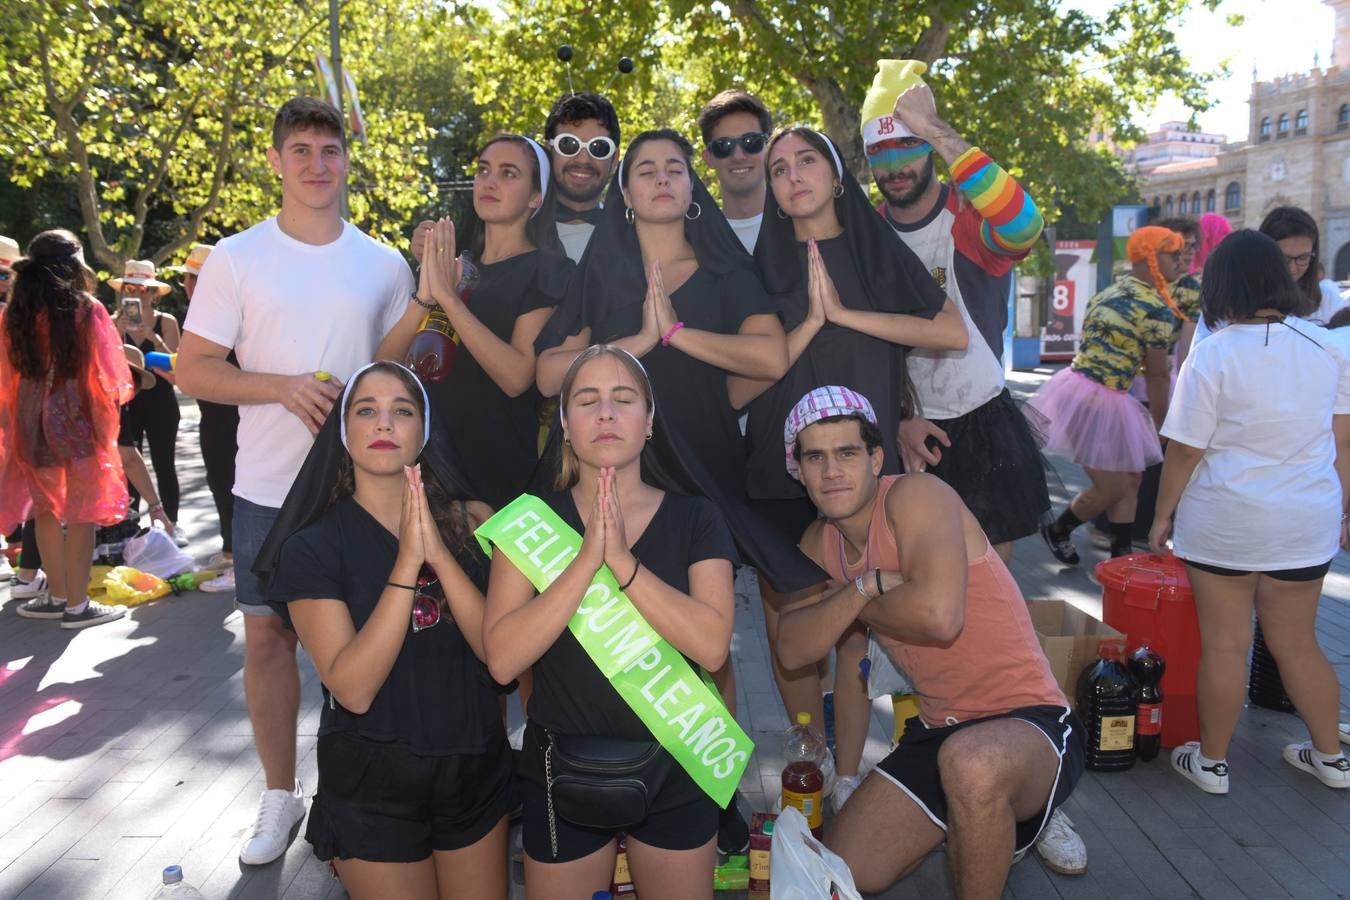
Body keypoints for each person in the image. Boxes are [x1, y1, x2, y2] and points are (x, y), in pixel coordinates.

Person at [534, 127, 796, 853]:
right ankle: (587, 783)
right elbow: (548, 374)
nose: (658, 180)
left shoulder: (721, 267)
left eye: (673, 169)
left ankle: (716, 791)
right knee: (584, 630)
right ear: (625, 190)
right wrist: (636, 346)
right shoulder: (601, 273)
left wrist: (676, 333)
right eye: (643, 169)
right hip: (607, 474)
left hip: (702, 474)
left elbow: (769, 355)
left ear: (691, 186)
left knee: (709, 649)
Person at [176, 97, 415, 866]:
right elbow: (191, 369)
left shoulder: (383, 263)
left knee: (387, 638)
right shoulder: (236, 258)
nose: (317, 163)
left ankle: (382, 783)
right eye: (301, 150)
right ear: (276, 161)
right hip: (267, 487)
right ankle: (279, 795)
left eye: (330, 149)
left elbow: (403, 365)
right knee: (270, 638)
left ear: (348, 160)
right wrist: (280, 386)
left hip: (366, 490)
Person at [735, 126, 965, 812]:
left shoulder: (875, 250)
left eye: (807, 160)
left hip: (865, 474)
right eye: (778, 168)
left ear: (837, 177)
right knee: (792, 631)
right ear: (771, 190)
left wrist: (848, 315)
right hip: (778, 476)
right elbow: (738, 384)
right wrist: (809, 320)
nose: (793, 175)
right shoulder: (757, 268)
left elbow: (949, 332)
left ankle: (851, 777)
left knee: (859, 622)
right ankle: (810, 752)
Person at [776, 386, 1083, 896]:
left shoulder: (916, 495)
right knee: (849, 867)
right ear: (799, 470)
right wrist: (865, 585)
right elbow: (791, 649)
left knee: (972, 763)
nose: (832, 471)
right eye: (815, 457)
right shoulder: (818, 543)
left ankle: (1003, 817)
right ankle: (977, 823)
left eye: (847, 452)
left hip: (1029, 721)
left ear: (876, 459)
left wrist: (841, 604)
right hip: (939, 729)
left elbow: (939, 617)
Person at [482, 345, 737, 899]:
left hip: (679, 757)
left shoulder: (698, 517)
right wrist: (584, 561)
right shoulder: (529, 521)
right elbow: (502, 658)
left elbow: (713, 646)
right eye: (587, 400)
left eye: (624, 400)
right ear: (566, 427)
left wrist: (622, 563)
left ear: (648, 423)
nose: (605, 414)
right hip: (560, 767)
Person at [258, 361, 510, 898]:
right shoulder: (310, 547)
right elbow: (353, 687)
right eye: (366, 411)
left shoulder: (475, 521)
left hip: (472, 764)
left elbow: (500, 658)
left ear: (424, 431)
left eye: (402, 411)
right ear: (343, 433)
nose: (383, 424)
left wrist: (438, 554)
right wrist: (406, 565)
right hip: (373, 783)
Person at [1149, 230, 1350, 794]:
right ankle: (1331, 757)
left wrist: (1161, 518)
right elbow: (1344, 442)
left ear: (1222, 285)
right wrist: (1343, 512)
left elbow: (1186, 449)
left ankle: (1212, 764)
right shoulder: (1327, 347)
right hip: (1306, 519)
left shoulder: (1211, 352)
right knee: (1300, 642)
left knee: (1225, 644)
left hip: (1225, 520)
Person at [864, 76, 1052, 570]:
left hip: (983, 423)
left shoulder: (968, 215)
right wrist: (898, 421)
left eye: (909, 144)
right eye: (880, 151)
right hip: (899, 430)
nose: (896, 164)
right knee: (911, 588)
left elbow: (1025, 226)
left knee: (988, 585)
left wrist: (937, 128)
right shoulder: (866, 235)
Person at [411, 135, 572, 509]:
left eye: (508, 173)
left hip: (498, 474)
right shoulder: (455, 263)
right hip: (430, 466)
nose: (489, 181)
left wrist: (450, 299)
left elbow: (518, 377)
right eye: (483, 170)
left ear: (536, 197)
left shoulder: (547, 272)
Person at [0, 229, 134, 629]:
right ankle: (77, 606)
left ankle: (57, 595)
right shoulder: (86, 310)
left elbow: (5, 376)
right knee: (81, 513)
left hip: (28, 419)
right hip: (77, 416)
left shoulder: (13, 313)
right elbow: (113, 376)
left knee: (43, 509)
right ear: (73, 265)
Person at [1031, 226, 1186, 564]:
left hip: (1082, 392)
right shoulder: (1155, 308)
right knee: (1113, 486)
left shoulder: (1107, 293)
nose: (1181, 259)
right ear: (1150, 258)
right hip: (1102, 400)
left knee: (1129, 480)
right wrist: (1161, 427)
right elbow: (1157, 375)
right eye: (1172, 253)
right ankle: (1058, 530)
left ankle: (1121, 556)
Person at [169, 243, 237, 591]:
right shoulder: (198, 310)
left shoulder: (231, 307)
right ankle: (230, 551)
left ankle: (241, 562)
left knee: (234, 485)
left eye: (199, 277)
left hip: (237, 416)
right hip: (211, 413)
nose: (192, 284)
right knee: (219, 482)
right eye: (189, 277)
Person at [111, 259, 183, 531]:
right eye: (130, 287)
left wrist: (152, 337)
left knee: (164, 464)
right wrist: (117, 332)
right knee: (128, 463)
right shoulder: (110, 322)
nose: (136, 293)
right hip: (127, 402)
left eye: (143, 289)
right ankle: (131, 527)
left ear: (153, 293)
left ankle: (172, 524)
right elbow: (107, 368)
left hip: (161, 401)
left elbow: (178, 370)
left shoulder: (167, 321)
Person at [1193, 206, 1322, 342]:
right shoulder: (1228, 301)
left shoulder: (1324, 300)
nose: (1292, 268)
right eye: (1284, 259)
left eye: (1303, 258)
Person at [696, 90, 772, 252]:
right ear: (708, 157)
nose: (738, 156)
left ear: (770, 148)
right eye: (723, 146)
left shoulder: (801, 225)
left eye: (751, 142)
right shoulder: (698, 244)